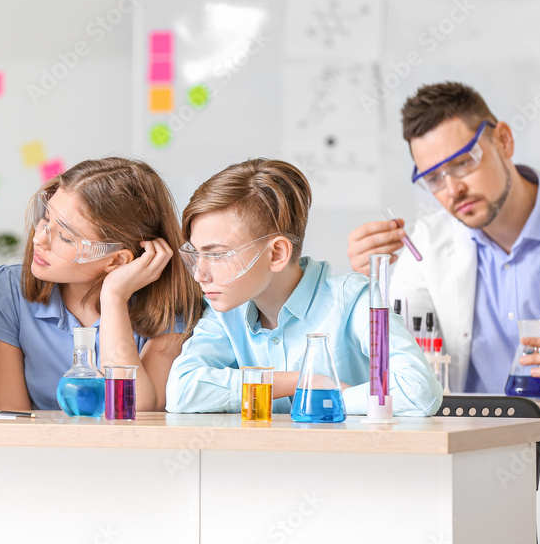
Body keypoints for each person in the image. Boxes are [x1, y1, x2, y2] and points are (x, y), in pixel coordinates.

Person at [347, 82, 540, 398]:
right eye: (434, 178)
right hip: (474, 442)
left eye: (462, 162)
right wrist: (372, 283)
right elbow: (399, 363)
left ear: (503, 139)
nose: (452, 190)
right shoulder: (425, 248)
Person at [165, 158, 441, 416]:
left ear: (276, 254)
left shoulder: (353, 300)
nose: (200, 274)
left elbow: (418, 390)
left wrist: (329, 398)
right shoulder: (225, 311)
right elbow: (181, 391)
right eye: (195, 255)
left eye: (217, 255)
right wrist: (301, 381)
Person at [0, 157, 201, 412]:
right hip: (38, 449)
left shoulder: (171, 307)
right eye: (45, 218)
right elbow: (12, 419)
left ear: (116, 260)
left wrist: (114, 297)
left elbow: (132, 410)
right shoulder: (8, 289)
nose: (39, 239)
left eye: (64, 237)